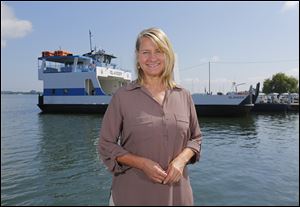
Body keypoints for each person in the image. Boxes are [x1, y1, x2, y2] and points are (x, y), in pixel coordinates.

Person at [98, 27, 202, 206]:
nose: (152, 58)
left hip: (177, 197)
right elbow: (106, 145)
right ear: (138, 57)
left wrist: (180, 160)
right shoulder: (122, 96)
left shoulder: (184, 95)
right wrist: (141, 163)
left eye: (159, 51)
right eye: (146, 52)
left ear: (167, 56)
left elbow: (196, 139)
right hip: (132, 196)